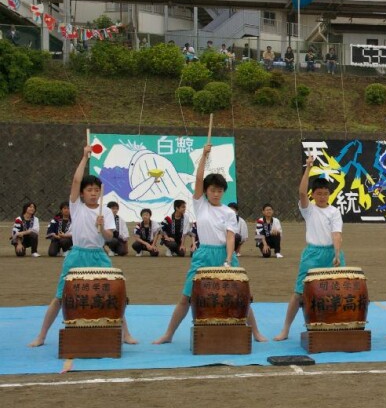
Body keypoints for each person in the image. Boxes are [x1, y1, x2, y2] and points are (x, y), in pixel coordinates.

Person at [153, 143, 266, 344]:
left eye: (220, 190)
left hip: (224, 254)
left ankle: (256, 332)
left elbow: (230, 237)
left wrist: (229, 258)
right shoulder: (200, 204)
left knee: (241, 296)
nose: (216, 194)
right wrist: (204, 156)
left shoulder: (229, 213)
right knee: (186, 296)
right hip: (203, 254)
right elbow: (198, 179)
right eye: (212, 190)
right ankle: (168, 334)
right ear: (206, 191)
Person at [29, 145, 137, 347]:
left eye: (96, 190)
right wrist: (85, 157)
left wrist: (102, 227)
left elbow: (109, 238)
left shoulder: (106, 211)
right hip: (77, 255)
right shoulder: (76, 206)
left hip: (99, 255)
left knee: (113, 294)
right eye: (89, 190)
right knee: (60, 296)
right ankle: (41, 336)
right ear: (82, 193)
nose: (93, 193)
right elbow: (76, 180)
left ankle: (126, 334)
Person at [275, 156, 344, 341]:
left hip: (332, 254)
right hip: (312, 254)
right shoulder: (309, 209)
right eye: (319, 193)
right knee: (299, 293)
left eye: (325, 193)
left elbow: (337, 234)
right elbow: (301, 193)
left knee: (338, 292)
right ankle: (285, 329)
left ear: (329, 194)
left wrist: (337, 254)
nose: (322, 197)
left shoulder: (334, 212)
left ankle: (337, 325)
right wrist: (308, 168)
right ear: (313, 194)